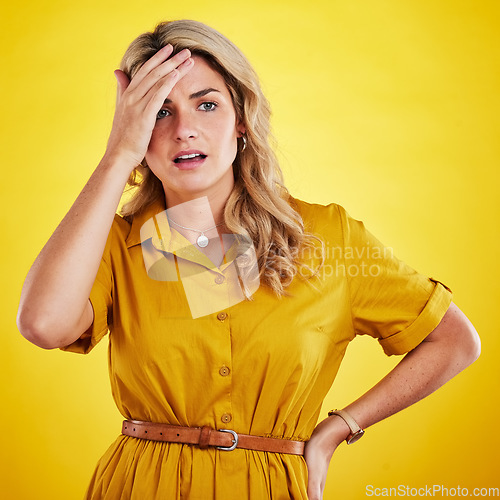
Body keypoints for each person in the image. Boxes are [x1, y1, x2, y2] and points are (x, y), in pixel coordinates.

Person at [17, 19, 480, 500]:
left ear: (241, 119)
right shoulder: (115, 244)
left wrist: (339, 428)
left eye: (207, 104)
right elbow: (44, 325)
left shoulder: (327, 237)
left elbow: (454, 340)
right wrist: (118, 156)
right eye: (159, 111)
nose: (185, 130)